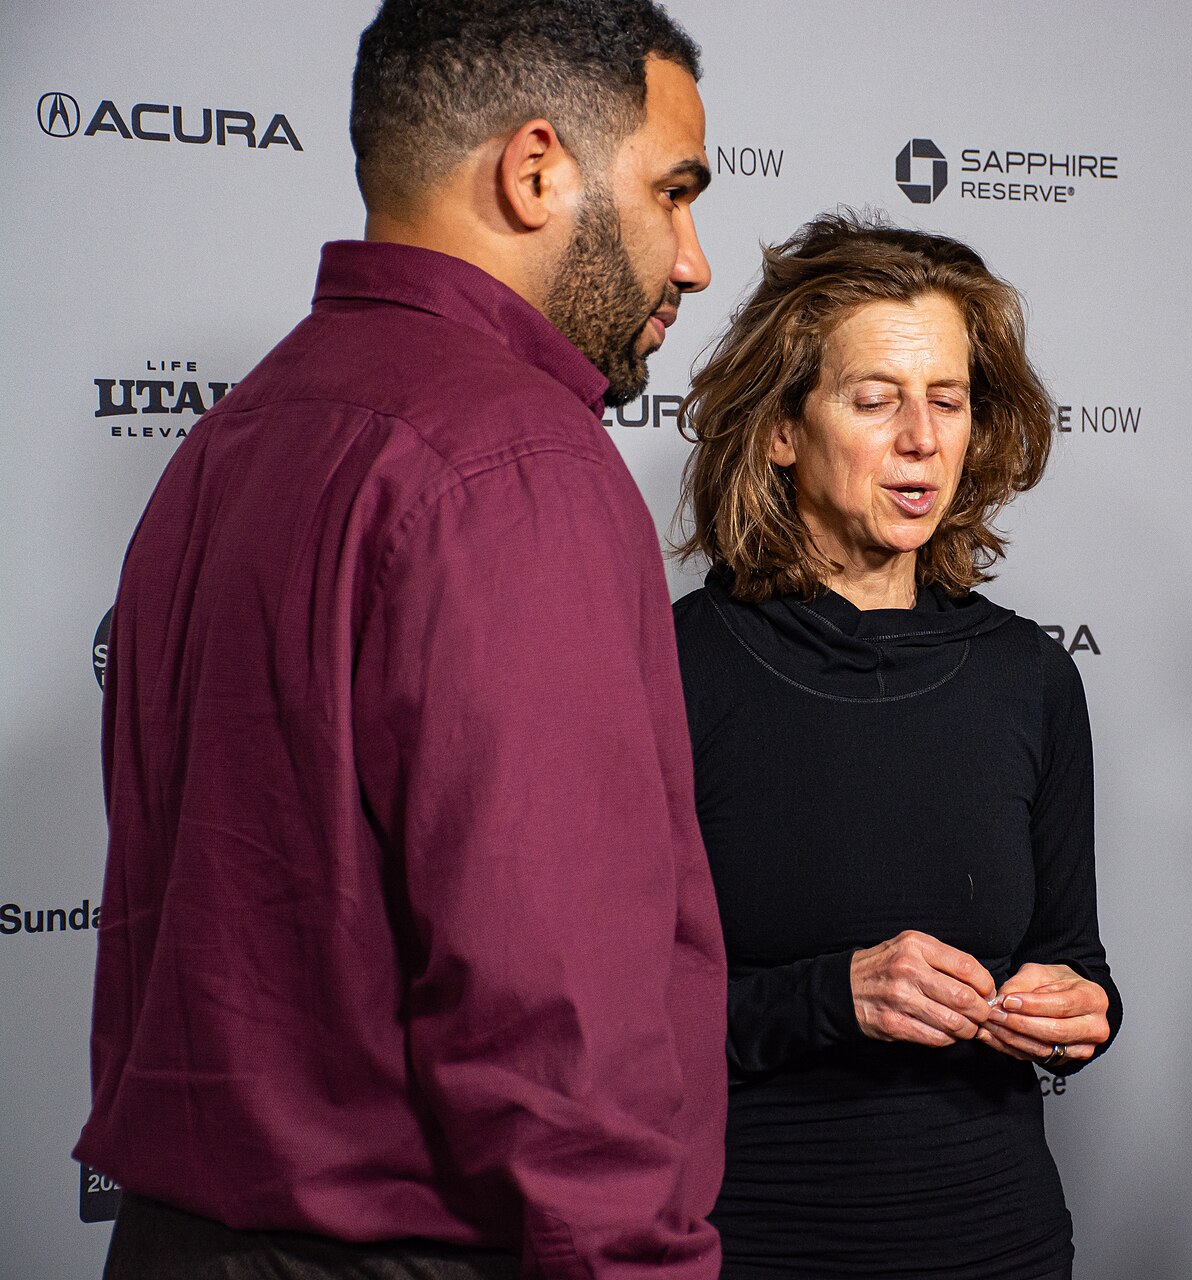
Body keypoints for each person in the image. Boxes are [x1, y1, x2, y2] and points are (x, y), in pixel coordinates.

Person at [76, 3, 726, 1277]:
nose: (693, 259)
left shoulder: (233, 436)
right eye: (674, 192)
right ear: (537, 171)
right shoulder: (518, 458)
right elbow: (555, 1002)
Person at [671, 212, 1121, 1280]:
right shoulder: (678, 665)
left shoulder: (1031, 678)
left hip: (997, 1241)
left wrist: (1074, 1011)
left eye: (949, 400)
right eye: (875, 400)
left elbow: (1078, 961)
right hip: (751, 1242)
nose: (921, 437)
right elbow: (610, 1014)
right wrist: (836, 993)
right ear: (783, 427)